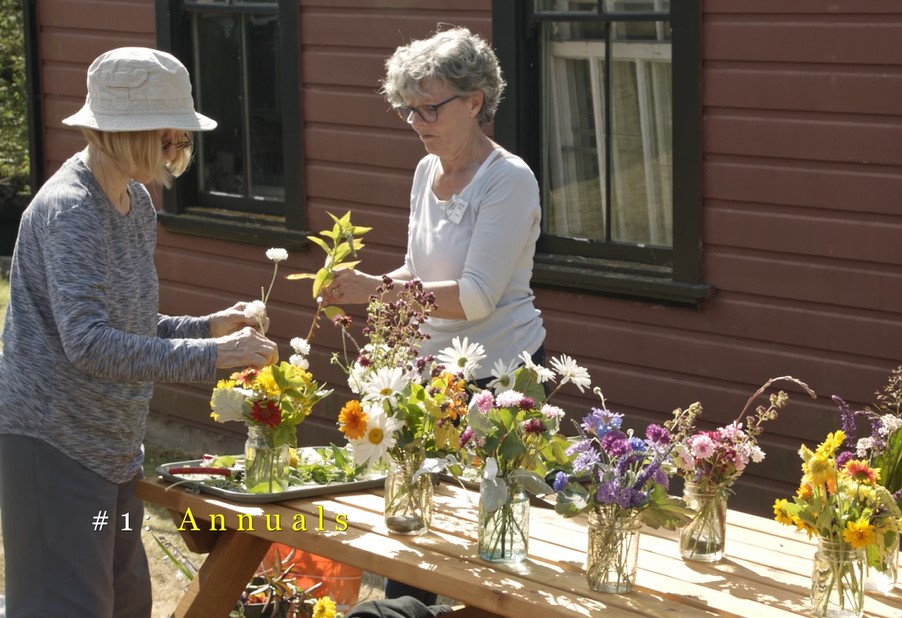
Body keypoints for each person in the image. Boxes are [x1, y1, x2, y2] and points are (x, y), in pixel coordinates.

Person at [0, 47, 279, 618]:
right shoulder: (72, 210)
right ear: (125, 134)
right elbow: (89, 343)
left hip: (114, 451)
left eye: (183, 141)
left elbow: (132, 328)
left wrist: (208, 326)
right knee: (67, 608)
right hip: (54, 446)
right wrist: (210, 355)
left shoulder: (136, 205)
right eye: (169, 140)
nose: (179, 154)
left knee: (127, 605)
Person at [322, 27, 547, 605]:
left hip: (499, 382)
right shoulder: (427, 171)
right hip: (433, 380)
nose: (418, 122)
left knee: (489, 554)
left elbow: (473, 297)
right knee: (417, 538)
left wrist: (376, 293)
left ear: (475, 101)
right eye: (408, 110)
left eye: (430, 107)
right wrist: (359, 287)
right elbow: (417, 270)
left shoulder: (509, 180)